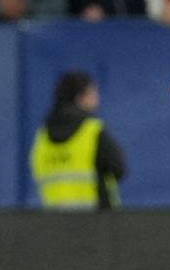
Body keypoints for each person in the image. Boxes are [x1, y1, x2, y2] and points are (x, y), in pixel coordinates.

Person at [31, 72, 126, 210]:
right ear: (81, 96)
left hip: (56, 222)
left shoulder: (42, 136)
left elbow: (37, 170)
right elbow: (119, 168)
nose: (97, 98)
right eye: (93, 92)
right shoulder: (92, 131)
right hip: (98, 221)